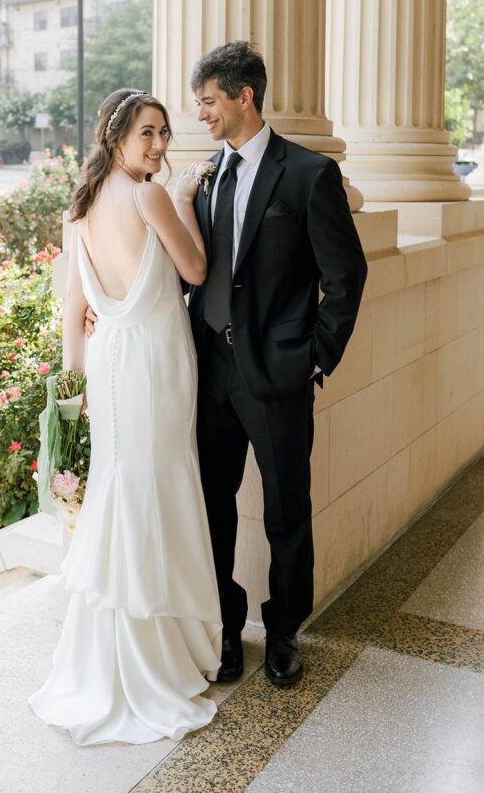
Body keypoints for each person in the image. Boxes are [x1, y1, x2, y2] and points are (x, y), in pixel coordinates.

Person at [28, 89, 223, 746]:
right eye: (148, 134)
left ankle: (115, 645)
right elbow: (194, 269)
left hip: (110, 363)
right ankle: (155, 650)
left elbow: (73, 308)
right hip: (155, 360)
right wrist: (188, 203)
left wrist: (78, 388)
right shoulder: (149, 197)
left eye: (164, 134)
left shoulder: (79, 209)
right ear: (114, 135)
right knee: (155, 487)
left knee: (123, 484)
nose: (160, 147)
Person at [186, 41, 367, 687]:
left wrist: (313, 357)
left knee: (286, 507)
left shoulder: (306, 174)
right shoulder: (206, 172)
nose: (201, 114)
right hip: (210, 372)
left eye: (208, 101)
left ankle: (284, 629)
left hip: (278, 371)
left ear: (243, 96)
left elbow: (344, 276)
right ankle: (228, 628)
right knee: (211, 503)